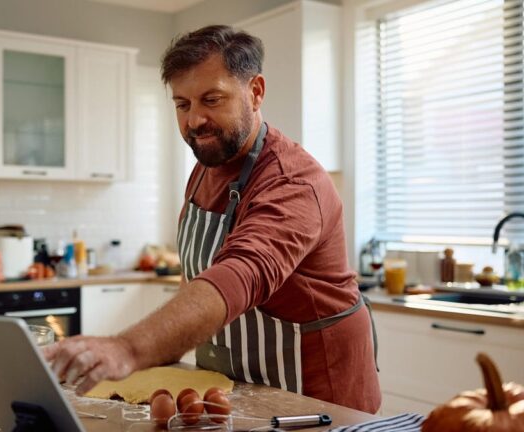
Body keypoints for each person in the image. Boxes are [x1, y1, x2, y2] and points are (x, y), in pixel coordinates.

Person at [43, 24, 381, 414]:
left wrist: (128, 348)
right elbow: (195, 282)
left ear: (255, 92)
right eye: (182, 105)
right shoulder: (208, 162)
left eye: (211, 99)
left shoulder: (293, 182)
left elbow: (241, 272)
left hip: (317, 394)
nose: (195, 121)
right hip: (241, 387)